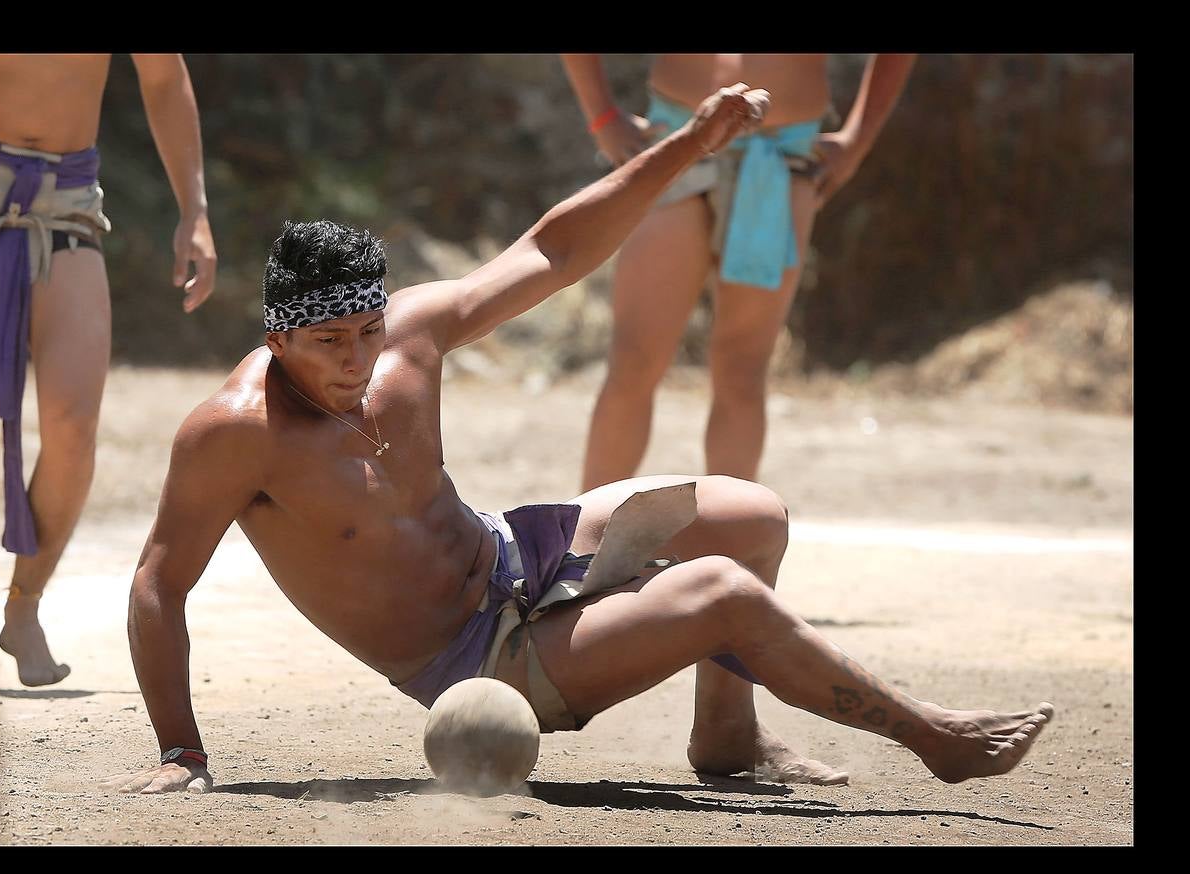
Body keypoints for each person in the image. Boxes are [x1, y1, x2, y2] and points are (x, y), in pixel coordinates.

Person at [99, 85, 1050, 796]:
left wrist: (688, 146)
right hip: (479, 659)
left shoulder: (410, 338)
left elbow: (551, 251)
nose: (356, 361)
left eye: (368, 333)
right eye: (328, 344)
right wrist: (181, 749)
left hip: (521, 552)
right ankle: (935, 739)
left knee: (754, 518)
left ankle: (728, 736)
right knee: (720, 592)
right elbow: (157, 584)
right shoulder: (234, 436)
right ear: (277, 341)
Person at [561, 54, 916, 490]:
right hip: (676, 138)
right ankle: (585, 530)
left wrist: (859, 137)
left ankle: (730, 531)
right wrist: (602, 116)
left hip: (781, 156)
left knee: (742, 372)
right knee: (633, 361)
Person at [0, 54, 218, 686]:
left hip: (66, 200)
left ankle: (24, 605)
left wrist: (194, 210)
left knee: (72, 426)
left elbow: (164, 79)